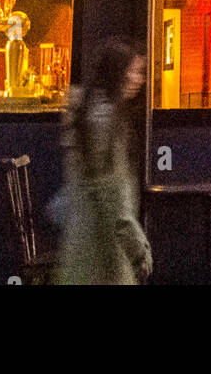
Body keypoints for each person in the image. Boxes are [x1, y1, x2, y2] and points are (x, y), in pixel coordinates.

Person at [54, 36, 153, 285]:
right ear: (118, 73)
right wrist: (137, 248)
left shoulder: (89, 111)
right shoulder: (105, 119)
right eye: (134, 71)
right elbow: (112, 189)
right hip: (103, 242)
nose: (139, 79)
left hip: (86, 235)